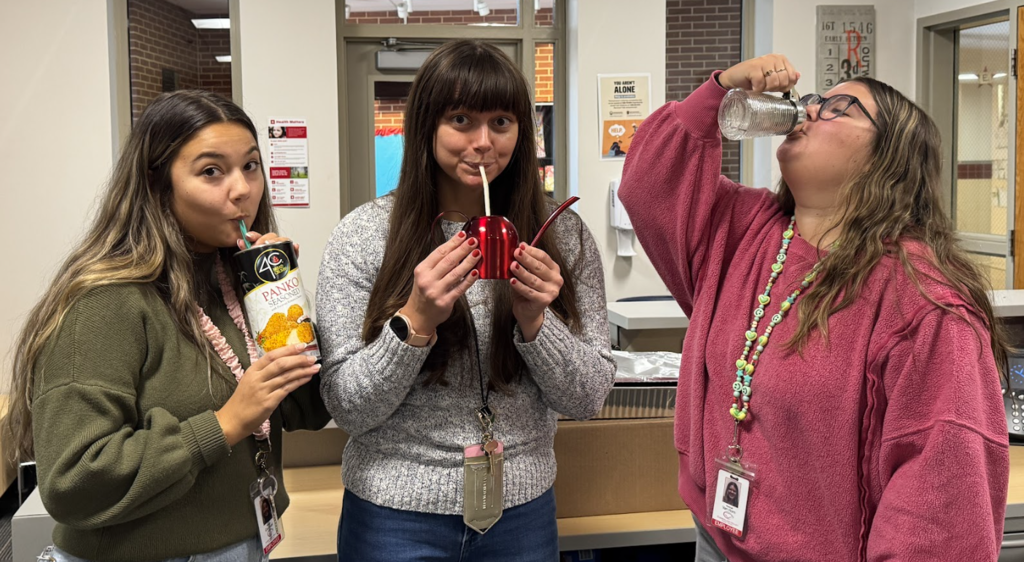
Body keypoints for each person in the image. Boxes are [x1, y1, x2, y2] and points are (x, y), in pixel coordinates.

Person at [619, 54, 1009, 561]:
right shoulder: (748, 233)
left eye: (839, 107)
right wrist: (718, 89)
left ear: (891, 158)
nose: (807, 109)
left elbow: (941, 513)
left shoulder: (924, 305)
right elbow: (647, 186)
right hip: (714, 537)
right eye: (813, 100)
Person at [317, 39, 615, 562]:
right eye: (460, 119)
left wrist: (536, 323)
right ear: (426, 126)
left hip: (520, 512)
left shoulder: (562, 236)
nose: (482, 142)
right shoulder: (363, 235)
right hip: (391, 514)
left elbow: (587, 399)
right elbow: (346, 408)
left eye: (501, 122)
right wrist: (415, 322)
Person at [9, 90, 331, 561]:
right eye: (211, 171)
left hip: (247, 544)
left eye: (251, 166)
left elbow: (309, 410)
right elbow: (70, 481)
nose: (242, 190)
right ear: (157, 184)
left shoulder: (233, 280)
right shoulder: (104, 301)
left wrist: (282, 304)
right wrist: (223, 425)